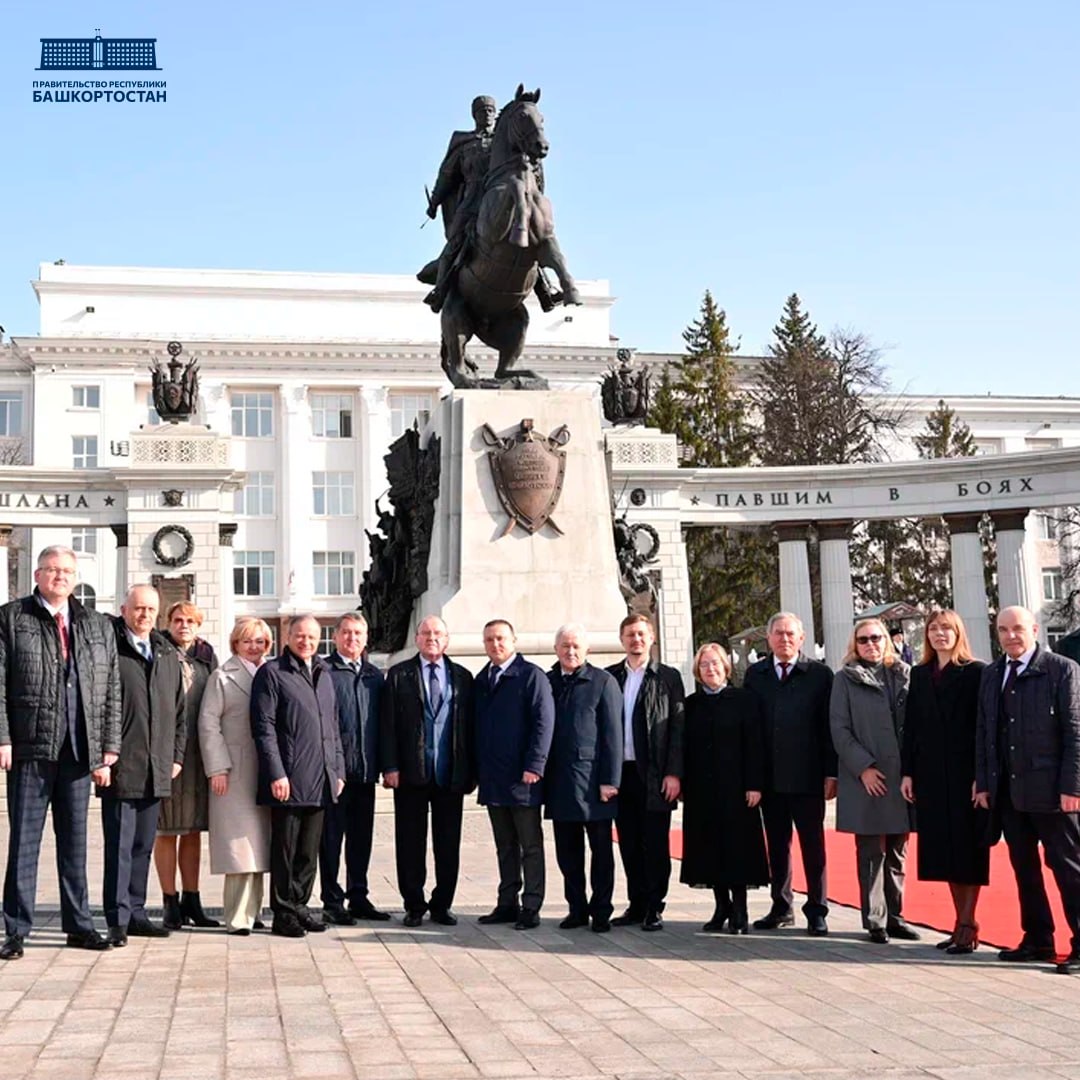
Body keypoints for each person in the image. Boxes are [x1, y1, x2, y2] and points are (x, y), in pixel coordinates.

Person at [0, 545, 119, 960]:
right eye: (52, 570)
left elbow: (110, 688)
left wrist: (110, 744)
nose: (60, 577)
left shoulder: (95, 624)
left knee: (75, 844)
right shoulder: (12, 618)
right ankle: (15, 929)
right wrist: (3, 739)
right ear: (37, 574)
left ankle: (79, 925)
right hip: (31, 749)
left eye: (67, 570)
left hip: (79, 750)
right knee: (24, 843)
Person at [975, 605, 1080, 972]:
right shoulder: (992, 674)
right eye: (1003, 630)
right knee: (1024, 867)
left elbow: (1075, 732)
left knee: (1069, 867)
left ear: (1034, 629)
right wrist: (984, 782)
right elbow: (985, 733)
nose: (1010, 636)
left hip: (1053, 792)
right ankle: (1037, 938)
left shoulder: (1062, 670)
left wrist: (1073, 787)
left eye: (1017, 628)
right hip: (1008, 791)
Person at [250, 614, 345, 938]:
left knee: (308, 849)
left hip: (320, 778)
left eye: (312, 637)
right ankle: (283, 911)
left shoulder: (324, 673)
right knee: (286, 849)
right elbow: (263, 729)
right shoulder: (272, 673)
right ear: (287, 637)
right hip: (288, 778)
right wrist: (276, 773)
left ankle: (301, 904)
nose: (305, 642)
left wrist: (338, 770)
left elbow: (333, 727)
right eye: (299, 636)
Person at [900, 610, 988, 954]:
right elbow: (912, 728)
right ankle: (958, 922)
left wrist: (982, 774)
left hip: (966, 775)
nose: (939, 634)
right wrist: (907, 772)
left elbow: (984, 727)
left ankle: (968, 923)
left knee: (968, 849)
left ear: (958, 633)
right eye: (933, 628)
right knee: (945, 852)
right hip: (931, 776)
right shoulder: (920, 675)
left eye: (946, 628)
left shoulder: (976, 672)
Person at [102, 584, 186, 945]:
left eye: (151, 610)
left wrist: (177, 756)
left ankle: (136, 911)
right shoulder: (111, 651)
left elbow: (179, 711)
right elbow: (100, 705)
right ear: (124, 609)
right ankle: (117, 919)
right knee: (119, 847)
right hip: (123, 766)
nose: (145, 615)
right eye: (138, 608)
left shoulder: (166, 653)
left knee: (143, 846)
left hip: (158, 769)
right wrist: (103, 756)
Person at [744, 612, 836, 936]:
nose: (784, 639)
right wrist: (753, 779)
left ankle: (817, 910)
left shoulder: (821, 675)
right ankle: (781, 906)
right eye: (778, 633)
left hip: (808, 778)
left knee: (814, 846)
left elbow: (829, 728)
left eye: (790, 634)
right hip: (770, 779)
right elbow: (751, 731)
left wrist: (831, 773)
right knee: (778, 846)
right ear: (768, 639)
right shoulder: (756, 675)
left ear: (802, 638)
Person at [381, 615, 475, 927]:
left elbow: (471, 730)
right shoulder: (398, 675)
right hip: (410, 774)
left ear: (446, 640)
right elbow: (388, 725)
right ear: (417, 639)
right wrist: (391, 766)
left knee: (448, 843)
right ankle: (414, 904)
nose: (431, 638)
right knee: (410, 842)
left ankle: (442, 904)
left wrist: (471, 772)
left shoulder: (463, 677)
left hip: (450, 775)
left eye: (437, 633)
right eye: (425, 633)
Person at [830, 617, 917, 944]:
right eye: (864, 639)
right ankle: (875, 919)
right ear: (855, 644)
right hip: (866, 776)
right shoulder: (845, 679)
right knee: (871, 851)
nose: (871, 644)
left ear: (889, 640)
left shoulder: (904, 674)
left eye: (877, 638)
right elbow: (839, 729)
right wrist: (863, 767)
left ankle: (896, 916)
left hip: (900, 777)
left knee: (897, 851)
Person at [680, 643, 768, 934]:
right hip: (702, 789)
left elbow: (756, 745)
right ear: (697, 670)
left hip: (738, 788)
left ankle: (740, 910)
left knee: (737, 848)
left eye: (715, 663)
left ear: (726, 666)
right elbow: (683, 747)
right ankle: (721, 907)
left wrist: (755, 783)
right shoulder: (690, 705)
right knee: (709, 848)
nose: (710, 669)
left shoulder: (744, 700)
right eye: (704, 664)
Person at [474, 619, 555, 931]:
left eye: (501, 639)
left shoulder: (531, 676)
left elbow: (543, 722)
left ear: (513, 640)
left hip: (524, 779)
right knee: (505, 845)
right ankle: (507, 902)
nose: (496, 644)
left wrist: (535, 765)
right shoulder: (483, 679)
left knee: (530, 845)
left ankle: (531, 905)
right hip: (494, 778)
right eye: (490, 640)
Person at [606, 614, 684, 931]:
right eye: (630, 635)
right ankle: (636, 903)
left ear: (651, 638)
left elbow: (678, 727)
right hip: (621, 774)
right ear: (622, 639)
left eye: (641, 634)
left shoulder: (667, 677)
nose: (635, 640)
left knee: (655, 843)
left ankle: (655, 905)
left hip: (654, 773)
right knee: (628, 842)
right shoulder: (611, 677)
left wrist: (674, 773)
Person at [544, 623, 622, 933]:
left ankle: (601, 910)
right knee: (567, 852)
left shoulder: (603, 682)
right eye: (565, 645)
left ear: (587, 650)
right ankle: (576, 908)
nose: (571, 651)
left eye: (576, 646)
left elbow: (613, 735)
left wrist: (610, 780)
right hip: (560, 782)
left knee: (601, 851)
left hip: (593, 784)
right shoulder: (547, 681)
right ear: (556, 649)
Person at [198, 617, 274, 935]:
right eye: (247, 641)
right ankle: (237, 916)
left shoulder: (270, 672)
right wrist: (217, 767)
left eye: (259, 641)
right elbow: (208, 723)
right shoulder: (222, 677)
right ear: (235, 643)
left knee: (259, 844)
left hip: (266, 769)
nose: (254, 646)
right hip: (235, 769)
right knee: (239, 845)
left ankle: (254, 910)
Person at [319, 611, 390, 925]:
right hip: (336, 774)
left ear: (366, 639)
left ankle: (358, 896)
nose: (352, 639)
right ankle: (332, 900)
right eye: (346, 633)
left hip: (365, 772)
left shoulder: (375, 676)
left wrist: (385, 766)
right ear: (336, 637)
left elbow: (384, 724)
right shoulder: (324, 670)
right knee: (331, 840)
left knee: (361, 839)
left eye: (358, 634)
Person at [154, 601, 220, 930]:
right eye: (178, 620)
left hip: (198, 754)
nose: (184, 626)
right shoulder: (159, 651)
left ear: (198, 624)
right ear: (168, 622)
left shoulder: (207, 656)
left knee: (192, 829)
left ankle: (192, 900)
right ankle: (169, 901)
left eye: (190, 621)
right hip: (167, 754)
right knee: (166, 829)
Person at [422, 94, 498, 312]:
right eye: (483, 111)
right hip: (472, 200)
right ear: (474, 115)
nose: (487, 115)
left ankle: (545, 286)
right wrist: (434, 203)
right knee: (455, 241)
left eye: (491, 111)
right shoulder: (464, 143)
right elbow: (447, 175)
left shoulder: (503, 142)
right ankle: (440, 289)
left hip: (499, 198)